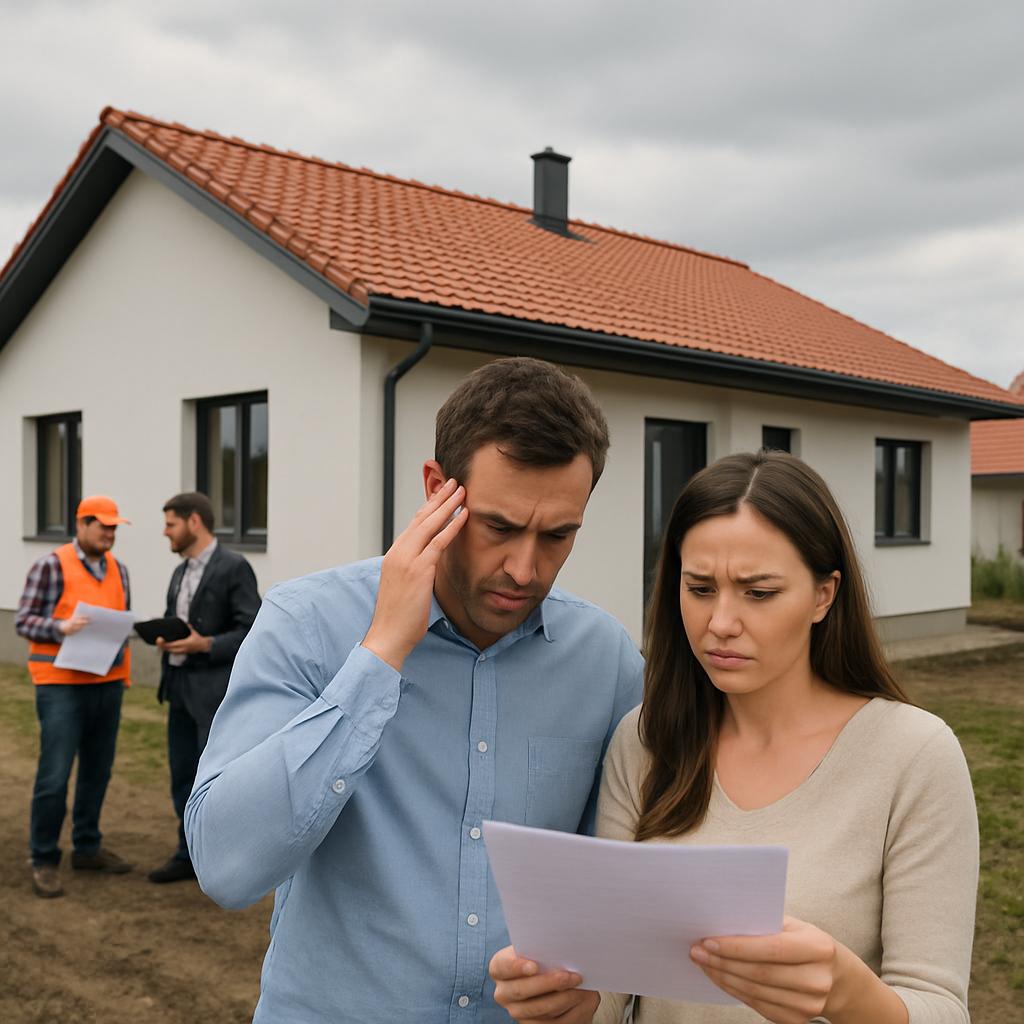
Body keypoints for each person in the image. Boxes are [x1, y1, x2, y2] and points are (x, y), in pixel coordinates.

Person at [185, 357, 643, 1022]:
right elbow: (227, 868)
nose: (524, 568)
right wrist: (378, 657)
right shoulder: (306, 625)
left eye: (558, 535)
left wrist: (593, 994)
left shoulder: (607, 663)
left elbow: (614, 890)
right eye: (500, 527)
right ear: (437, 488)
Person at [490, 451, 979, 1024]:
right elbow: (615, 989)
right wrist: (566, 1004)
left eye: (758, 592)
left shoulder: (915, 756)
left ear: (824, 595)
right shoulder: (645, 741)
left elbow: (940, 1007)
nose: (720, 622)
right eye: (699, 588)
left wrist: (847, 991)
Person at [16, 494, 136, 899]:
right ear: (81, 524)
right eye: (103, 526)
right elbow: (23, 619)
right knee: (54, 775)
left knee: (97, 771)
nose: (109, 533)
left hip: (106, 684)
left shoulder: (120, 570)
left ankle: (87, 847)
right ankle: (44, 858)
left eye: (114, 527)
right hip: (61, 685)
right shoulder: (50, 565)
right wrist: (59, 627)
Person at [147, 491, 260, 883]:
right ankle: (188, 853)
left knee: (212, 781)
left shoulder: (234, 567)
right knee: (181, 775)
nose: (165, 533)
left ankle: (222, 858)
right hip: (177, 688)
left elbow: (251, 629)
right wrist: (164, 635)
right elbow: (175, 617)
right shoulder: (180, 571)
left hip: (214, 695)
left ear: (194, 521)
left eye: (170, 524)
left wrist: (205, 645)